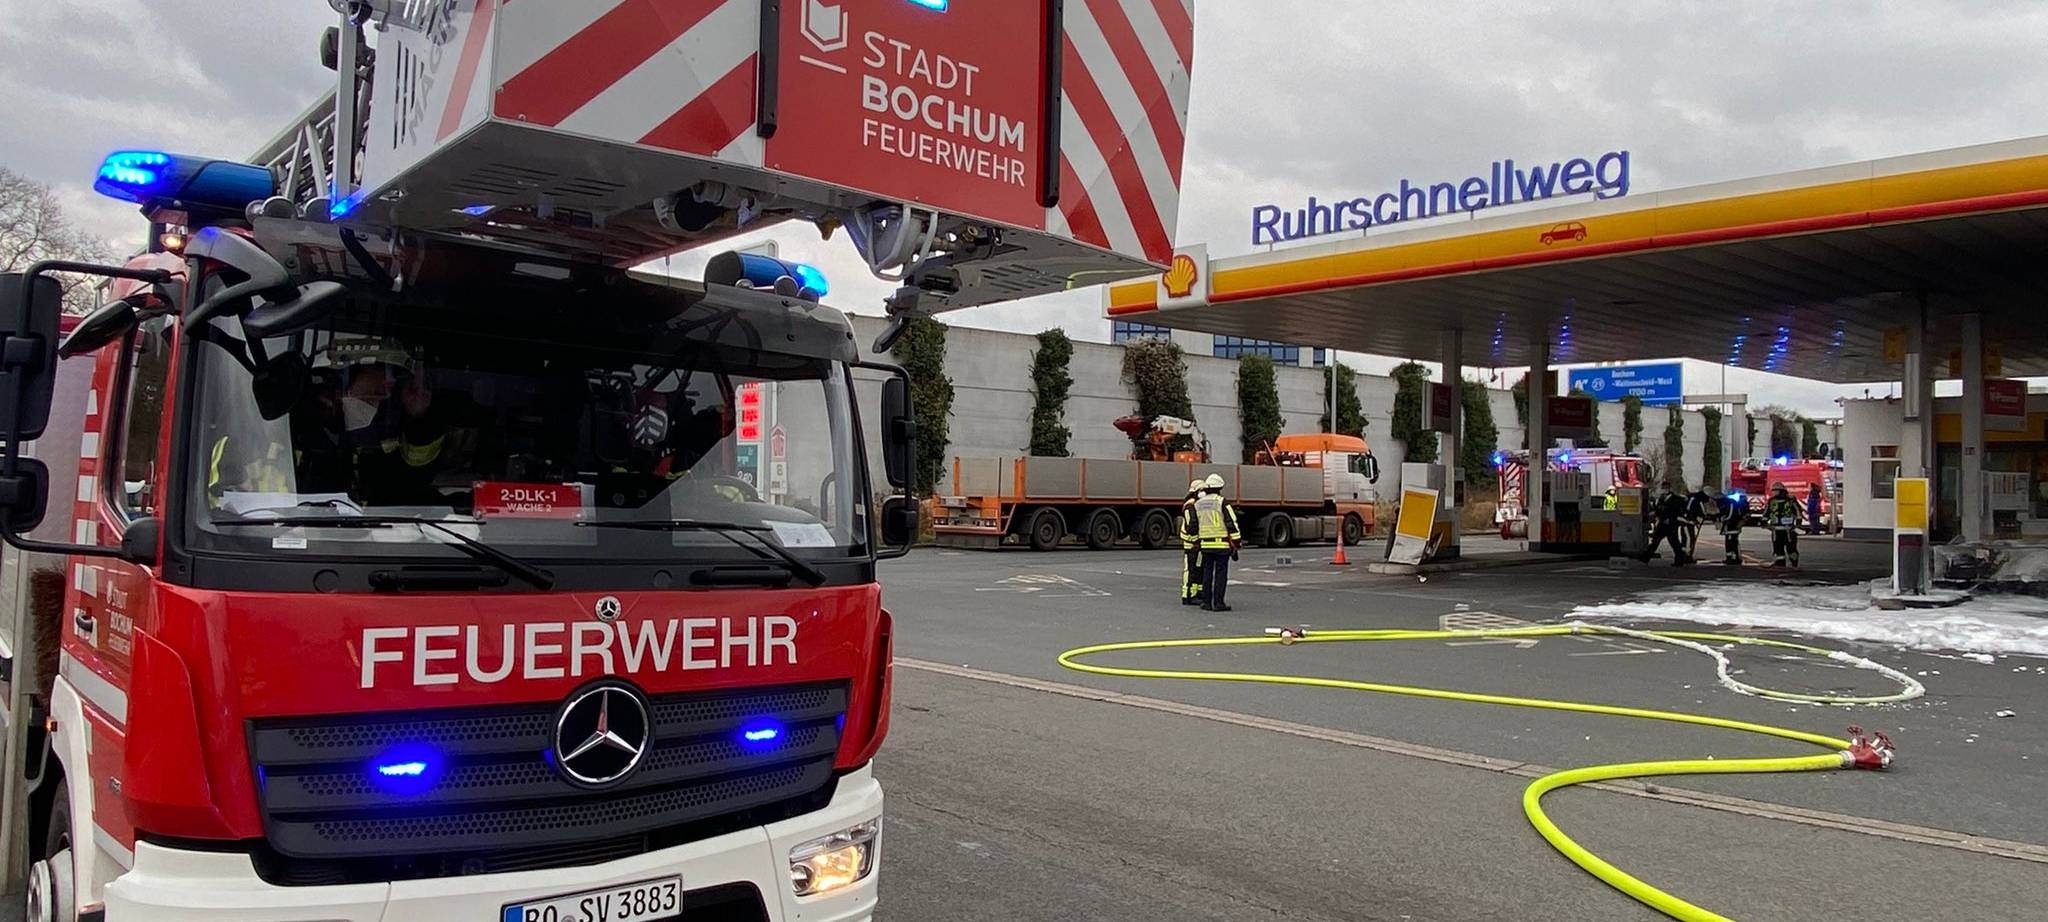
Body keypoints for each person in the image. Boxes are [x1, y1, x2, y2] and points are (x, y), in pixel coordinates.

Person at [1184, 473, 1241, 612]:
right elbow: (1231, 522)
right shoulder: (1222, 502)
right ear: (1220, 488)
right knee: (1221, 574)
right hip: (1221, 545)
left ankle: (1206, 602)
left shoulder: (1198, 504)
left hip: (1205, 545)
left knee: (1207, 573)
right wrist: (1237, 541)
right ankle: (1219, 603)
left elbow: (1194, 524)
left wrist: (1196, 541)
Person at [1642, 481, 1689, 565]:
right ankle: (1645, 558)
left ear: (1669, 488)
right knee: (1655, 541)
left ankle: (1679, 560)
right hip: (1662, 524)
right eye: (1663, 488)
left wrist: (1670, 519)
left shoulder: (1675, 499)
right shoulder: (1662, 498)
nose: (1664, 489)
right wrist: (1655, 515)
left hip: (1671, 524)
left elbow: (1675, 511)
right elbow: (1659, 509)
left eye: (1666, 488)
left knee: (1674, 543)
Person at [1180, 479, 1205, 606]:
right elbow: (1192, 526)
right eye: (1202, 490)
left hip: (1197, 543)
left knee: (1198, 569)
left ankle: (1197, 593)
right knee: (1190, 570)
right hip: (1191, 544)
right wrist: (1195, 540)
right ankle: (1187, 595)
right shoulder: (1190, 506)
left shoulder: (1197, 504)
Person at [1764, 482, 1801, 567]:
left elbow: (1798, 511)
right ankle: (1780, 564)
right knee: (1778, 549)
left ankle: (1794, 563)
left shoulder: (1790, 500)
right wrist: (1763, 521)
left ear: (1780, 491)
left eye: (1775, 490)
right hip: (1776, 530)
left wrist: (1798, 522)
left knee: (1791, 549)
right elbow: (1767, 512)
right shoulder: (1772, 501)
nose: (1773, 492)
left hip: (1788, 530)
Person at [1717, 489, 1749, 565]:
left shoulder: (1730, 503)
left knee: (1732, 542)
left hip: (1732, 526)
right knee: (1730, 542)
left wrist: (1722, 519)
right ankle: (1730, 557)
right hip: (1731, 526)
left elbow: (1730, 515)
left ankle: (1734, 558)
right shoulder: (1732, 502)